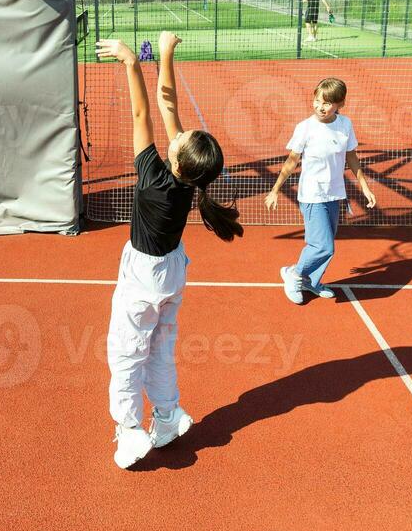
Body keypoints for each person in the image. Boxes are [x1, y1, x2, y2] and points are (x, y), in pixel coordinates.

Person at [95, 30, 244, 469]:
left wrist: (130, 62)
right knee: (159, 348)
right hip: (173, 273)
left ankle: (128, 430)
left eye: (181, 137)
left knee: (125, 353)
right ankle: (165, 415)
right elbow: (167, 108)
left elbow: (144, 110)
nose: (177, 133)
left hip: (143, 276)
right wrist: (165, 53)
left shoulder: (154, 181)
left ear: (177, 158)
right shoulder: (186, 180)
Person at [264, 77, 377, 304]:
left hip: (335, 194)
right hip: (312, 195)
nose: (319, 107)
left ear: (339, 104)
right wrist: (275, 189)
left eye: (326, 103)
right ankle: (294, 274)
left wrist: (365, 187)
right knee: (322, 246)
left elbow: (352, 158)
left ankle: (311, 281)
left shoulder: (345, 125)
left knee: (327, 244)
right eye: (317, 101)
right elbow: (291, 161)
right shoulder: (305, 128)